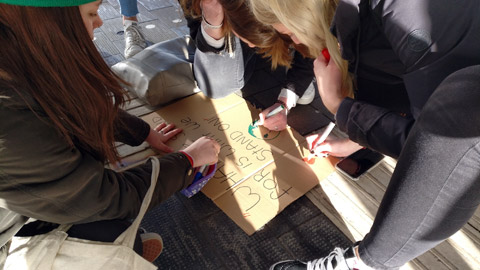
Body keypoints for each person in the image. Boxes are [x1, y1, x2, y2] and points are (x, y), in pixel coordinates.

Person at [249, 0, 480, 269]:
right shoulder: (360, 14)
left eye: (289, 33)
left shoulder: (406, 15)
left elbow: (437, 154)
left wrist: (339, 106)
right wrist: (353, 140)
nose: (297, 40)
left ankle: (365, 263)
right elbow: (397, 87)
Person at [0, 0, 220, 266]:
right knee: (107, 237)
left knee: (109, 229)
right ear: (47, 19)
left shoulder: (22, 58)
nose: (100, 22)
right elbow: (106, 196)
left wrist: (143, 132)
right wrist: (185, 161)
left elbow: (76, 106)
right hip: (11, 226)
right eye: (92, 13)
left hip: (33, 197)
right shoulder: (12, 121)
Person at [180, 0, 328, 132]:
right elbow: (194, 25)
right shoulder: (211, 6)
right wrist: (212, 23)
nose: (252, 45)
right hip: (224, 13)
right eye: (250, 40)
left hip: (280, 12)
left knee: (302, 39)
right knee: (216, 85)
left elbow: (311, 41)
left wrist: (288, 98)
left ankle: (287, 48)